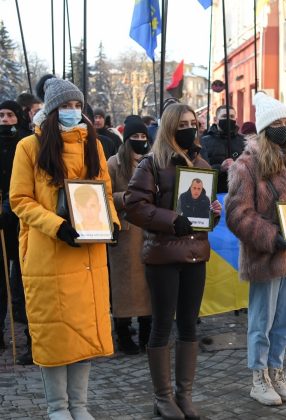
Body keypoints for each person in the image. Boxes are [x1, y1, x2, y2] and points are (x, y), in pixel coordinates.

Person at [10, 77, 120, 419]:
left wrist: (111, 222)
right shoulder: (29, 146)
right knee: (55, 331)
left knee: (85, 329)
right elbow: (20, 200)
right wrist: (58, 226)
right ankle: (57, 407)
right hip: (49, 250)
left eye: (77, 106)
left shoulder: (94, 145)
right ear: (51, 109)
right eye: (65, 106)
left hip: (89, 249)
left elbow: (103, 187)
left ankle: (80, 405)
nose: (72, 112)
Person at [225, 92, 286, 405]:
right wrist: (272, 237)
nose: (285, 128)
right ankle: (259, 377)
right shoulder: (247, 165)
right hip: (267, 256)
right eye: (278, 123)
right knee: (261, 320)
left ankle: (276, 370)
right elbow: (238, 213)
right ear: (266, 128)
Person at [125, 103, 222, 419]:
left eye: (193, 122)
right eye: (182, 123)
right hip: (163, 256)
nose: (189, 127)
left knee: (189, 325)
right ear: (169, 126)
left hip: (195, 256)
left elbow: (202, 219)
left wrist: (212, 216)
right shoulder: (151, 164)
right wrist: (170, 219)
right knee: (162, 324)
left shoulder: (202, 164)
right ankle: (162, 397)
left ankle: (184, 395)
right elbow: (134, 206)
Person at [107, 117, 152, 356]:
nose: (140, 141)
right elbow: (104, 193)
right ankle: (123, 335)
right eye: (135, 137)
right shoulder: (114, 163)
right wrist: (124, 197)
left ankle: (146, 333)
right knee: (123, 289)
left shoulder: (152, 161)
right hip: (124, 233)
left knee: (148, 286)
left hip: (149, 231)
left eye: (144, 137)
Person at [0, 100, 32, 361]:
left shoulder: (27, 141)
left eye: (10, 114)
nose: (5, 119)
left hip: (23, 218)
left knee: (26, 279)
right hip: (2, 218)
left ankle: (33, 338)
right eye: (1, 115)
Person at [200, 105, 246, 194]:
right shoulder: (204, 142)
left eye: (232, 116)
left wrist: (238, 167)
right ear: (215, 119)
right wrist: (220, 168)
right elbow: (201, 171)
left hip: (239, 195)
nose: (228, 119)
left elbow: (252, 170)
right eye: (224, 116)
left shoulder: (244, 141)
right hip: (214, 194)